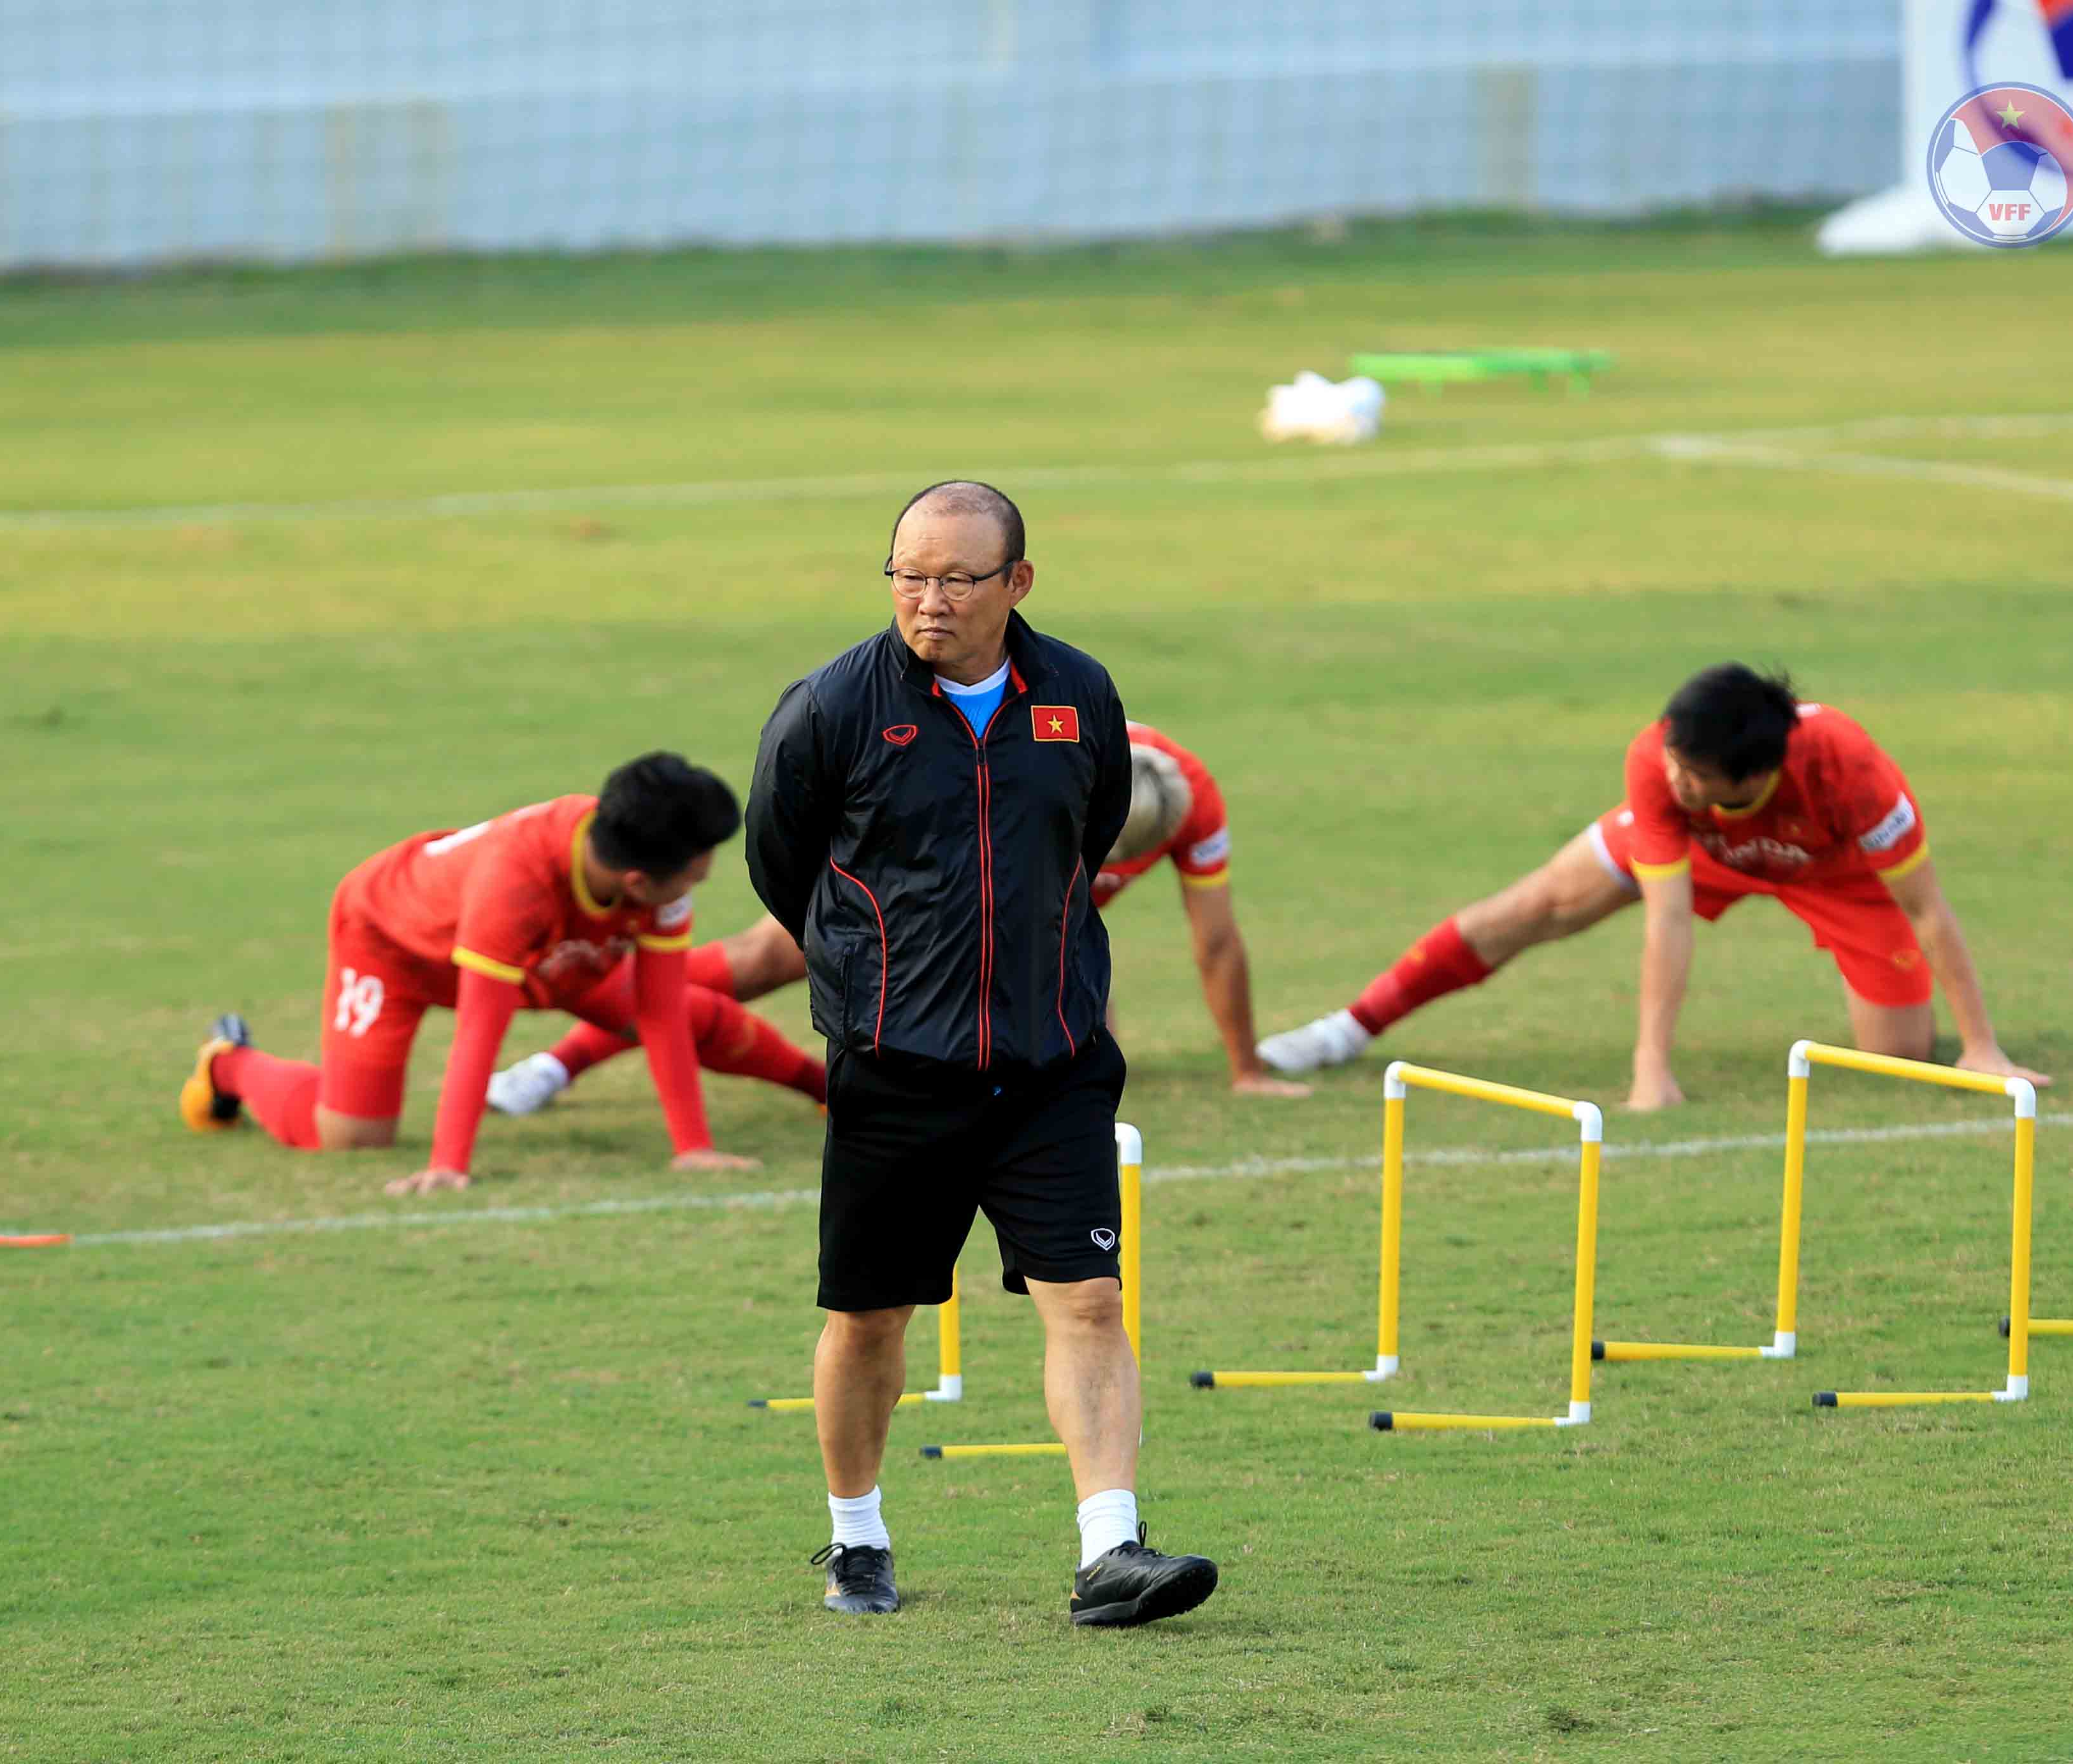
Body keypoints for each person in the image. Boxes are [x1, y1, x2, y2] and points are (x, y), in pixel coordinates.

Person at [748, 479, 1217, 1627]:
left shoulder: (1079, 694)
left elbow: (1091, 828)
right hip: (893, 1070)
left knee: (1089, 1300)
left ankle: (1110, 1548)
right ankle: (855, 1535)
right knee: (869, 1318)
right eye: (908, 573)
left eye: (957, 577)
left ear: (1016, 582)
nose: (928, 599)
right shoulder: (832, 708)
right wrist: (874, 977)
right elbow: (781, 861)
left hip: (1052, 1061)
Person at [1255, 664, 2051, 1108]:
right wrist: (1649, 1066)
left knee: (1898, 1054)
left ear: (1757, 772)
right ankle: (1345, 1029)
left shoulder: (1850, 768)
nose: (1671, 774)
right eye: (1671, 758)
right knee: (1530, 907)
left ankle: (1945, 1038)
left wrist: (1980, 1046)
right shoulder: (1661, 766)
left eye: (1693, 772)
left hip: (1833, 872)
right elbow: (1666, 920)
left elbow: (1927, 910)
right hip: (1702, 848)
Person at [488, 719, 1304, 1113]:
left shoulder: (1186, 800)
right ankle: (550, 1067)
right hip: (911, 875)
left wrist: (1243, 1067)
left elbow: (1216, 941)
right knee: (758, 963)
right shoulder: (1027, 768)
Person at [182, 753, 809, 1195]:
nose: (698, 884)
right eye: (694, 876)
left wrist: (692, 1147)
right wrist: (448, 1162)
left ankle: (836, 1091)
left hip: (554, 952)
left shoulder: (645, 857)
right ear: (638, 883)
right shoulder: (515, 880)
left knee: (694, 1011)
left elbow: (662, 1008)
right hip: (391, 944)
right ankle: (228, 1062)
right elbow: (480, 1029)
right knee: (350, 1135)